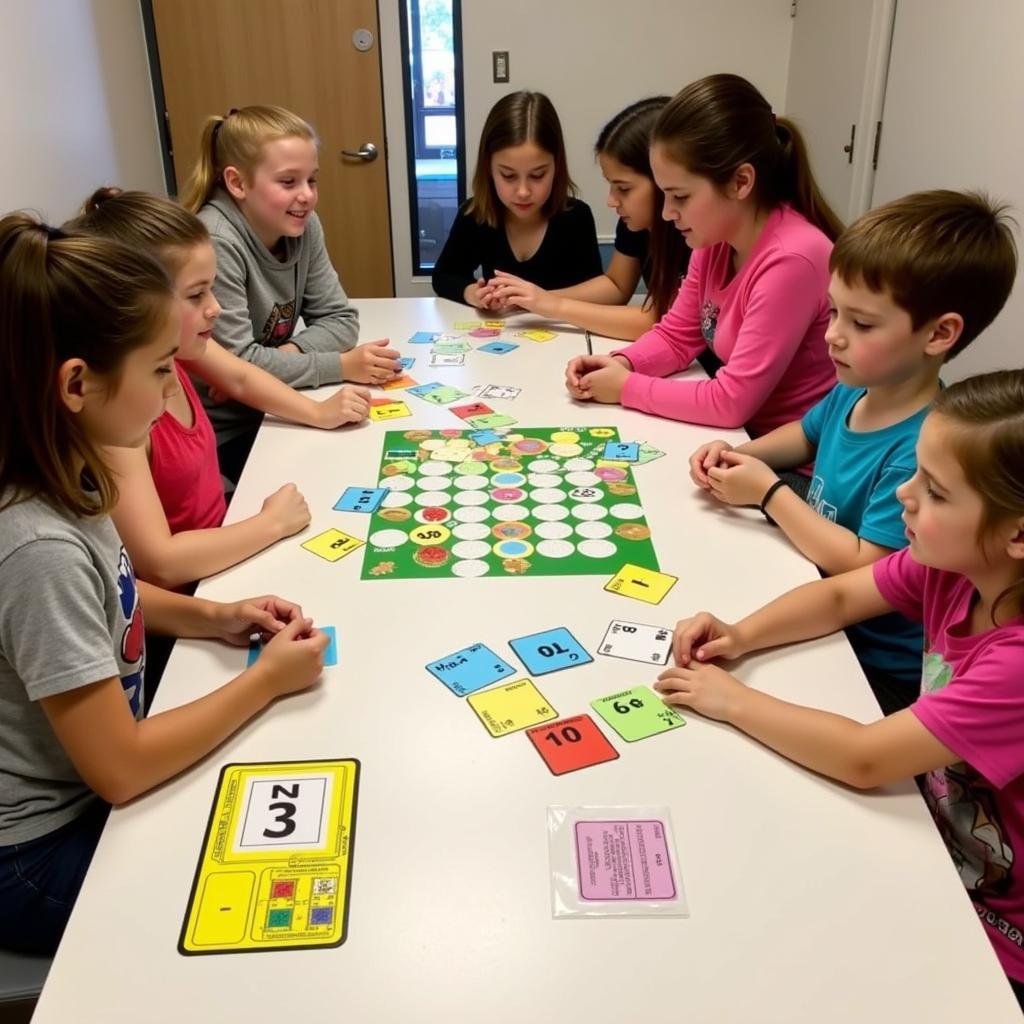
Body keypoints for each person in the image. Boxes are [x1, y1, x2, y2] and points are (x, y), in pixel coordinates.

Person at [0, 215, 328, 955]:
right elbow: (121, 769)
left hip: (86, 791)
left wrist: (213, 615)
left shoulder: (68, 470)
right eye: (157, 371)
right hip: (33, 855)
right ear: (78, 384)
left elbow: (107, 599)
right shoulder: (35, 543)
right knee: (266, 897)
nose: (167, 395)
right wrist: (265, 682)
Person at [658, 371, 1024, 1009]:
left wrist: (733, 701)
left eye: (934, 491)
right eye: (916, 474)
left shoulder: (1015, 664)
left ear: (1016, 534)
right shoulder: (955, 566)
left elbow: (865, 757)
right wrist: (741, 635)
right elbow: (837, 595)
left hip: (1000, 927)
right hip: (933, 825)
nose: (905, 497)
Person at [688, 190, 1017, 713]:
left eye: (861, 324)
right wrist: (738, 452)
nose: (833, 336)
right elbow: (808, 432)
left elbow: (861, 565)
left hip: (874, 663)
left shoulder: (924, 450)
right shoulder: (858, 382)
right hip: (818, 594)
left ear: (940, 334)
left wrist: (768, 493)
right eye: (835, 311)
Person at [66, 187, 371, 590]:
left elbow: (242, 377)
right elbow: (161, 564)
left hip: (225, 546)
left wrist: (317, 412)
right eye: (196, 294)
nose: (216, 307)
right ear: (136, 307)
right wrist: (270, 524)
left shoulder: (181, 348)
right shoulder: (120, 417)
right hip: (191, 594)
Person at [565, 73, 840, 439]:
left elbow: (730, 402)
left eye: (680, 197)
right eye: (664, 195)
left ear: (741, 182)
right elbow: (677, 337)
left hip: (792, 462)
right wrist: (620, 363)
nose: (666, 213)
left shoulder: (793, 259)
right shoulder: (715, 241)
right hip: (739, 439)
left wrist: (626, 387)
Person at [181, 104, 399, 480]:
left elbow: (341, 319)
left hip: (278, 405)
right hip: (228, 429)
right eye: (288, 182)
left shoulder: (304, 225)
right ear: (237, 183)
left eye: (311, 180)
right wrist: (340, 365)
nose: (306, 196)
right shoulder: (216, 240)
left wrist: (288, 352)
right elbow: (238, 369)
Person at [487, 97, 690, 340]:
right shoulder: (636, 221)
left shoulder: (697, 233)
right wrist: (539, 299)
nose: (611, 201)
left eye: (623, 189)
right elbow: (616, 285)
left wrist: (552, 305)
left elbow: (657, 321)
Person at [431, 90, 602, 312]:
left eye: (537, 175)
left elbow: (597, 290)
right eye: (508, 176)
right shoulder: (475, 214)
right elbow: (444, 276)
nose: (523, 192)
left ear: (557, 168)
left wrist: (540, 300)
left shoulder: (575, 217)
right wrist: (473, 293)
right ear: (488, 169)